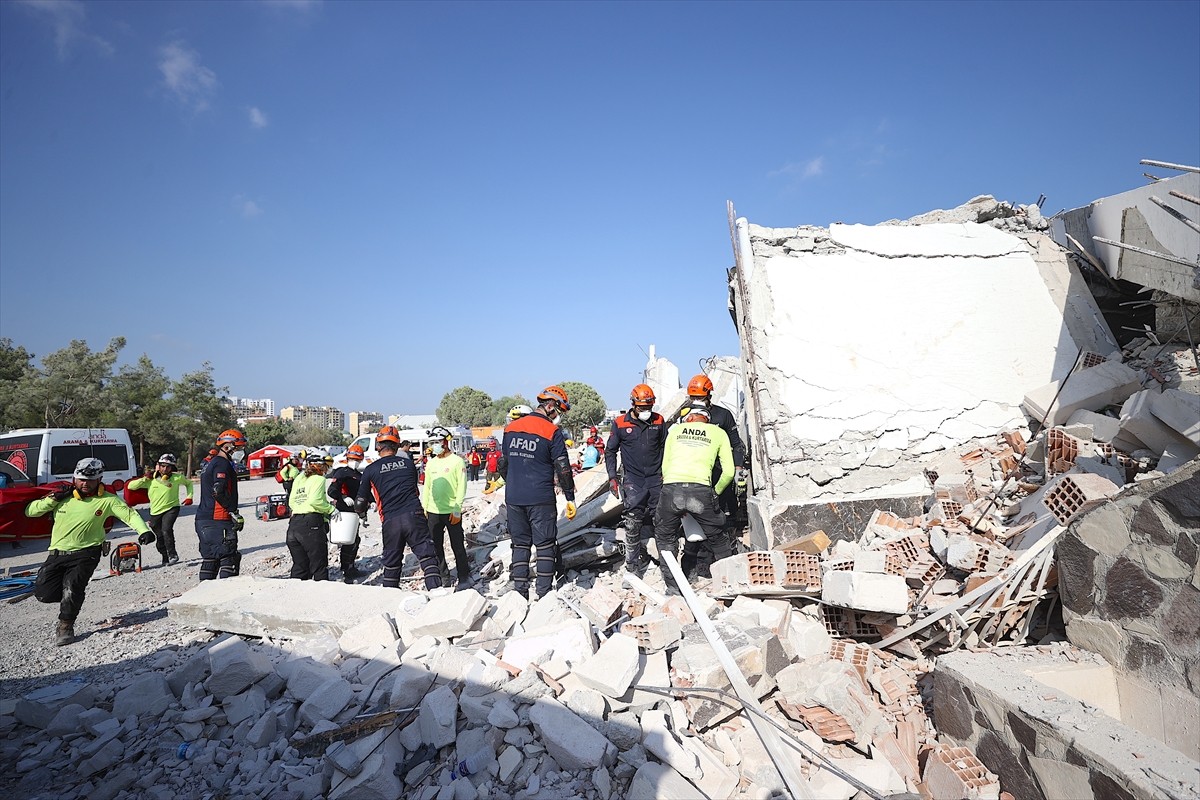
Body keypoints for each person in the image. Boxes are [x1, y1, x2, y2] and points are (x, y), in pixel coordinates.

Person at [26, 458, 154, 645]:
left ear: (99, 479)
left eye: (90, 480)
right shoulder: (61, 496)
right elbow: (31, 511)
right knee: (44, 594)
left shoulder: (108, 500)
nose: (85, 484)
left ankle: (65, 626)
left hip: (87, 553)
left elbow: (129, 515)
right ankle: (69, 600)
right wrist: (52, 499)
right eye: (81, 480)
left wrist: (143, 530)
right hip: (57, 553)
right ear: (74, 478)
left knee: (73, 587)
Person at [499, 386, 576, 599]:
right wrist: (569, 497)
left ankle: (520, 594)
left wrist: (513, 484)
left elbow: (502, 463)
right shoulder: (552, 432)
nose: (559, 416)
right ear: (550, 406)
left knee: (520, 544)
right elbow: (563, 467)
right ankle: (544, 595)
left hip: (514, 497)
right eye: (559, 411)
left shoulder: (510, 429)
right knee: (544, 545)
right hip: (540, 497)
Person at [654, 406, 734, 595]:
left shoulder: (675, 431)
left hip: (672, 490)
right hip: (700, 491)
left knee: (665, 539)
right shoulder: (719, 432)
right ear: (707, 419)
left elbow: (665, 468)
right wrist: (716, 492)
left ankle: (674, 589)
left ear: (688, 419)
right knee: (718, 538)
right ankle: (729, 584)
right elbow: (729, 472)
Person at [355, 425, 442, 589]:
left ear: (378, 446)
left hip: (390, 520)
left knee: (392, 564)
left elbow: (360, 502)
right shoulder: (408, 464)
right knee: (427, 557)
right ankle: (436, 593)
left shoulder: (370, 469)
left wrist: (361, 514)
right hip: (414, 514)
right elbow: (415, 490)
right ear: (397, 445)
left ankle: (390, 600)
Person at [678, 373, 747, 577]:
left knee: (723, 520)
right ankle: (696, 568)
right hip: (695, 477)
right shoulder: (685, 417)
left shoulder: (722, 416)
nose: (697, 401)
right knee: (694, 521)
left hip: (720, 476)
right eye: (694, 398)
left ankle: (722, 567)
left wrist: (737, 468)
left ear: (709, 395)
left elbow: (736, 445)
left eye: (700, 397)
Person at [606, 383, 668, 575]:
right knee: (633, 522)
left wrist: (668, 473)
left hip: (656, 478)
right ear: (633, 404)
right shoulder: (620, 423)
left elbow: (666, 447)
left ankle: (667, 565)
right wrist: (612, 478)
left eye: (649, 407)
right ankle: (633, 568)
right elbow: (610, 451)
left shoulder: (659, 421)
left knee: (663, 521)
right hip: (633, 480)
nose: (646, 411)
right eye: (642, 407)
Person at [195, 429, 247, 581]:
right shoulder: (222, 464)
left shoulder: (211, 464)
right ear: (227, 446)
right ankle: (226, 597)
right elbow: (218, 490)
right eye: (239, 448)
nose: (241, 451)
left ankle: (204, 596)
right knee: (229, 557)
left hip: (204, 519)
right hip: (218, 519)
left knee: (210, 559)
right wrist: (232, 511)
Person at [422, 426, 470, 589]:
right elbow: (427, 486)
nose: (434, 446)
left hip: (451, 511)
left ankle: (464, 575)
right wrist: (425, 508)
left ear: (445, 442)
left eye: (436, 442)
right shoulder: (431, 463)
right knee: (436, 546)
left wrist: (457, 508)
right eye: (432, 443)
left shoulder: (457, 461)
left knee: (457, 545)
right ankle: (444, 577)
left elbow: (461, 486)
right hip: (433, 512)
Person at [127, 453, 193, 566]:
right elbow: (130, 486)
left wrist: (189, 497)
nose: (165, 469)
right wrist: (144, 478)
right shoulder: (150, 479)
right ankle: (165, 556)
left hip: (172, 507)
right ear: (158, 466)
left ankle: (173, 554)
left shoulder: (177, 478)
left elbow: (189, 483)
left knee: (166, 529)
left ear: (172, 468)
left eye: (168, 466)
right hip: (155, 511)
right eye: (162, 466)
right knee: (160, 536)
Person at [287, 450, 334, 581]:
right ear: (320, 465)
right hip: (311, 524)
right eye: (326, 466)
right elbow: (315, 501)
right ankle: (321, 597)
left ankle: (294, 597)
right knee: (319, 566)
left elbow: (291, 502)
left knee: (300, 567)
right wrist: (331, 509)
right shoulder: (319, 479)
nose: (327, 469)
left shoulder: (299, 478)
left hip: (294, 526)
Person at [327, 443, 367, 583]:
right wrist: (342, 497)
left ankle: (350, 567)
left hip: (354, 512)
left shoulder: (359, 475)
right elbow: (331, 490)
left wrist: (367, 507)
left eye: (357, 460)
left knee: (355, 540)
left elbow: (363, 493)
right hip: (343, 511)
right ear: (348, 458)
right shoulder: (341, 472)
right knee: (348, 541)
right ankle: (346, 570)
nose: (355, 462)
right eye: (352, 459)